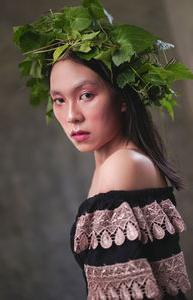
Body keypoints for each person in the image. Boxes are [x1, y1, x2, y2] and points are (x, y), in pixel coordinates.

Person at [14, 1, 192, 298]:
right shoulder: (121, 161)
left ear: (122, 97)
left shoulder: (122, 165)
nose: (71, 115)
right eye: (59, 99)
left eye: (85, 95)